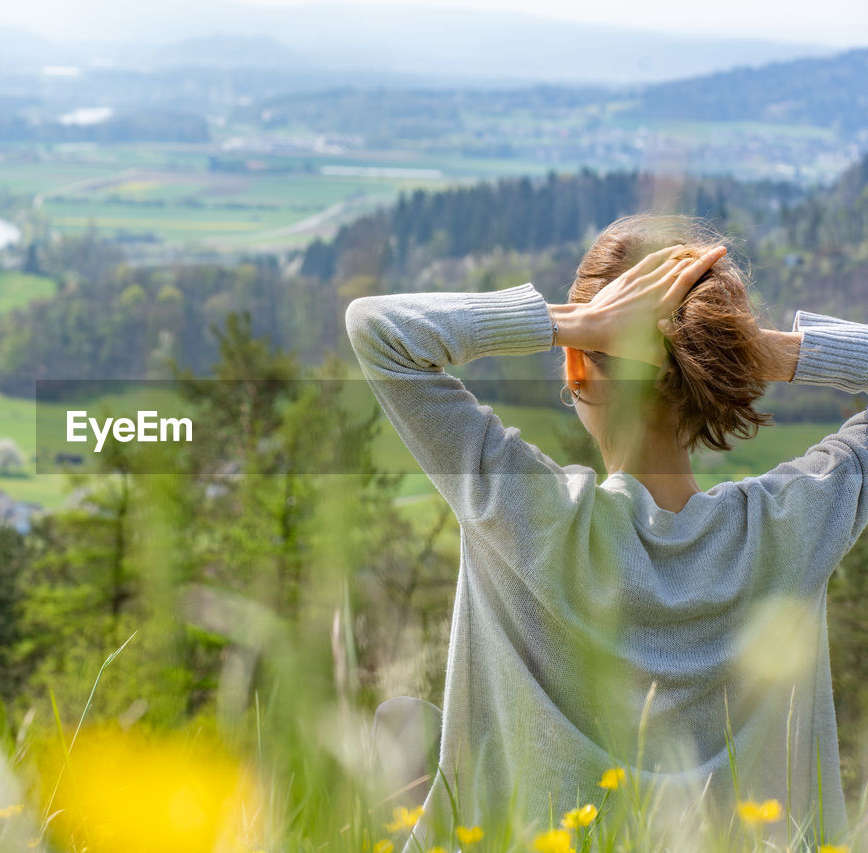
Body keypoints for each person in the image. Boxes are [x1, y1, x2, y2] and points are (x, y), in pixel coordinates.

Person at [345, 214, 868, 849]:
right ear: (718, 374)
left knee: (403, 724)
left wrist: (567, 322)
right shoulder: (793, 527)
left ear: (575, 368)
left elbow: (378, 329)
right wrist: (768, 352)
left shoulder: (522, 511)